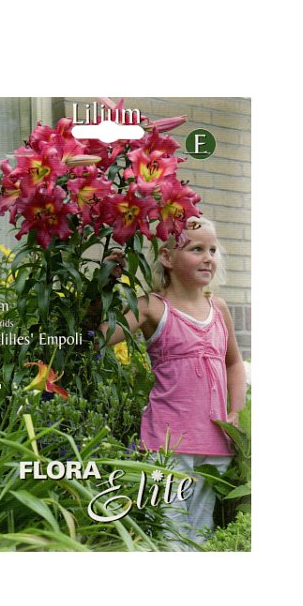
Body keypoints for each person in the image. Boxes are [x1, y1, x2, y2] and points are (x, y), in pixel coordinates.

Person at [99, 216, 247, 550]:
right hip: (166, 444)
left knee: (202, 535)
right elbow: (103, 338)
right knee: (168, 534)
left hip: (215, 443)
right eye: (197, 249)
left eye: (212, 250)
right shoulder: (152, 306)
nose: (208, 258)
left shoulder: (219, 308)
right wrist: (105, 286)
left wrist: (236, 413)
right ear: (167, 257)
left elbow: (234, 364)